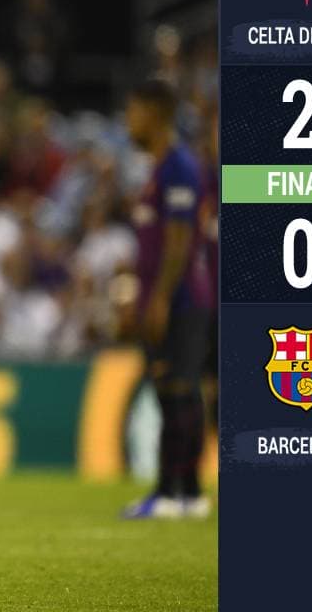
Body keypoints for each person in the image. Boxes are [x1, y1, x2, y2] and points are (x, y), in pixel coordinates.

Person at [121, 79, 211, 520]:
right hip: (170, 297)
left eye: (133, 111)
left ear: (154, 114)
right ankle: (187, 492)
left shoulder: (179, 165)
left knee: (176, 391)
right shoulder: (159, 168)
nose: (128, 120)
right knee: (173, 393)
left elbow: (179, 242)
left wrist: (158, 299)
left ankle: (171, 492)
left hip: (181, 300)